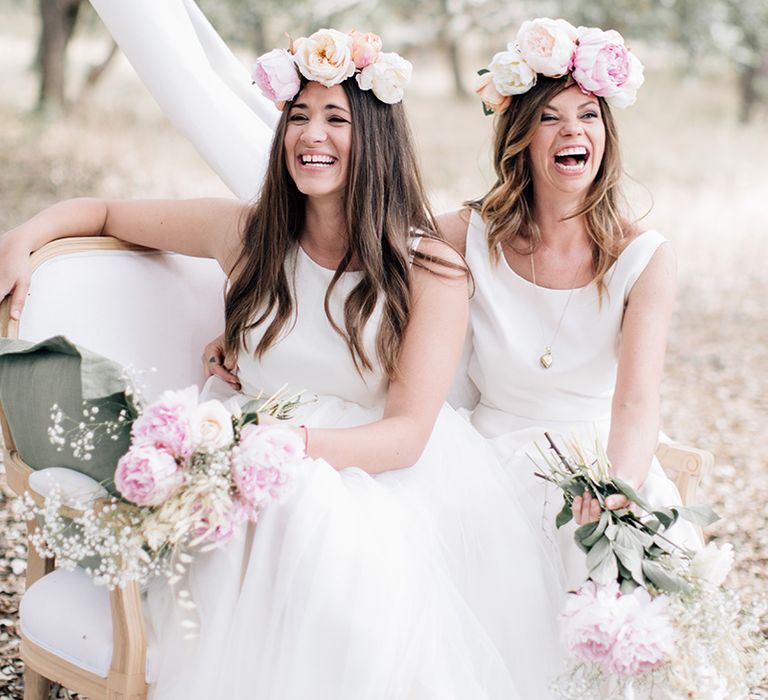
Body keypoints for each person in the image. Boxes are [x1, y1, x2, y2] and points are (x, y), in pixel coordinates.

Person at [0, 29, 564, 699]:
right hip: (244, 454)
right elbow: (103, 208)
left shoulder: (429, 269)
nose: (310, 135)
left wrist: (285, 448)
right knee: (283, 518)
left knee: (318, 532)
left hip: (378, 469)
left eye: (335, 118)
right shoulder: (247, 232)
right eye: (297, 116)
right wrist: (23, 238)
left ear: (376, 139)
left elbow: (407, 433)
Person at [434, 18, 702, 586]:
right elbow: (355, 256)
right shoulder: (468, 234)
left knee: (593, 551)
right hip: (486, 456)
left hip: (600, 453)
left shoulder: (645, 258)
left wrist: (617, 488)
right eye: (548, 118)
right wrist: (248, 328)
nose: (570, 131)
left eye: (586, 116)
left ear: (605, 136)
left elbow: (635, 404)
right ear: (521, 138)